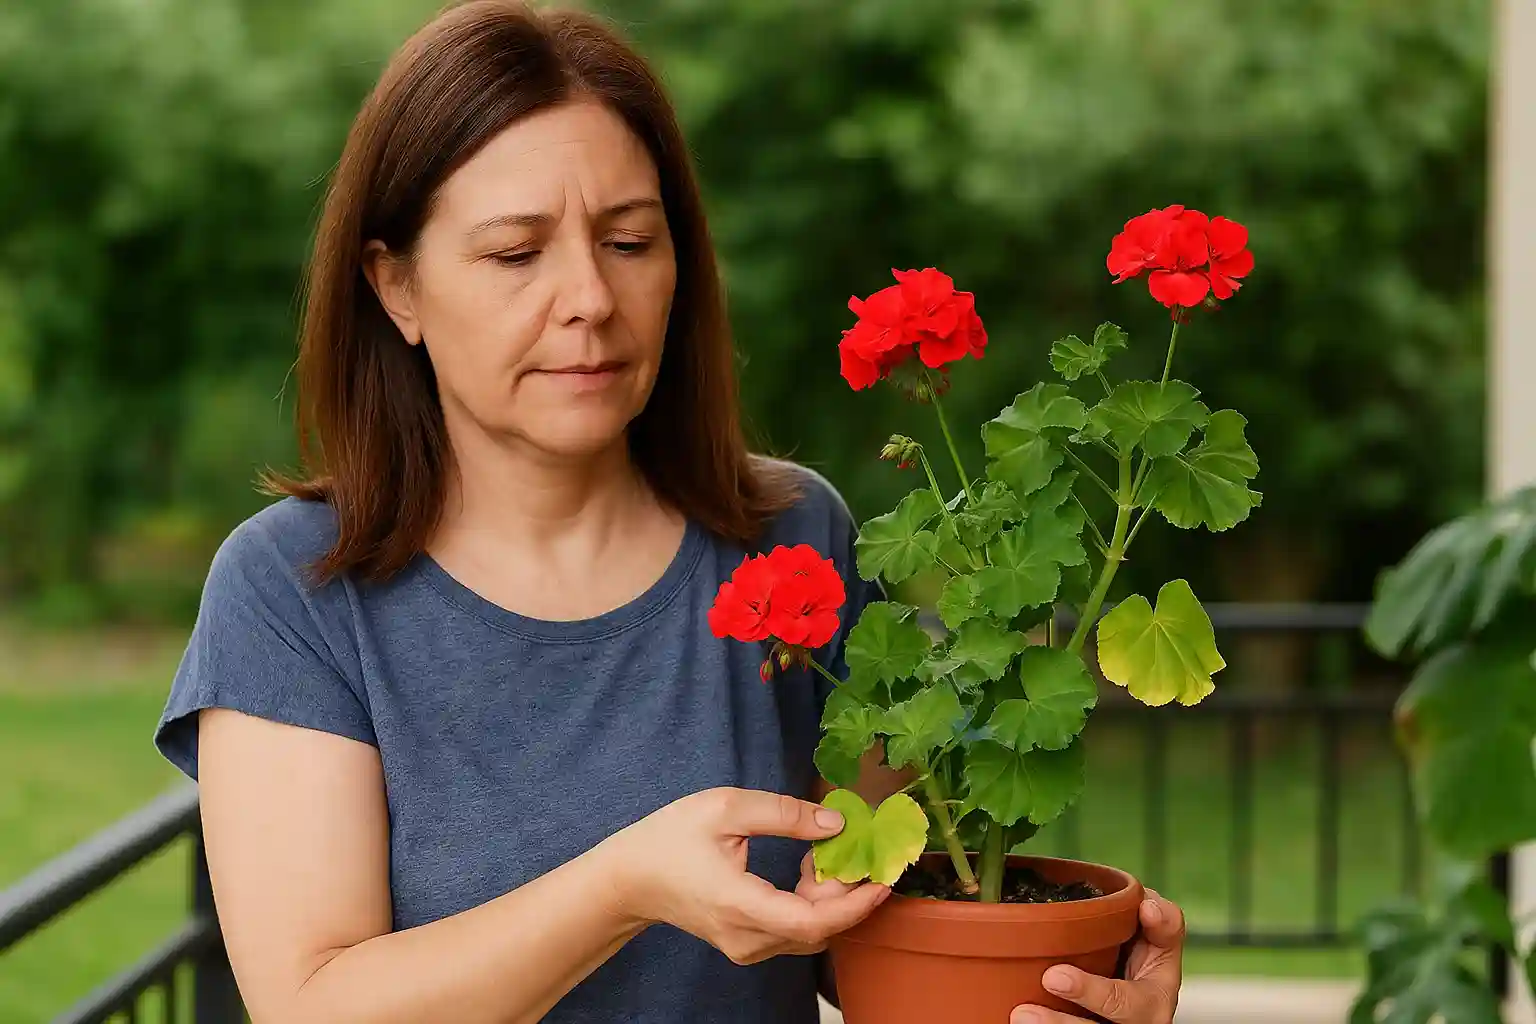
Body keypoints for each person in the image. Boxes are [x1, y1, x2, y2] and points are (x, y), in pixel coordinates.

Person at [152, 3, 1187, 1022]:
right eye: (517, 255)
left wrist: (1056, 989)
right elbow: (316, 1005)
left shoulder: (794, 537)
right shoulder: (295, 589)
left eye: (629, 241)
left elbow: (880, 917)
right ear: (397, 289)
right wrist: (621, 887)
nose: (590, 299)